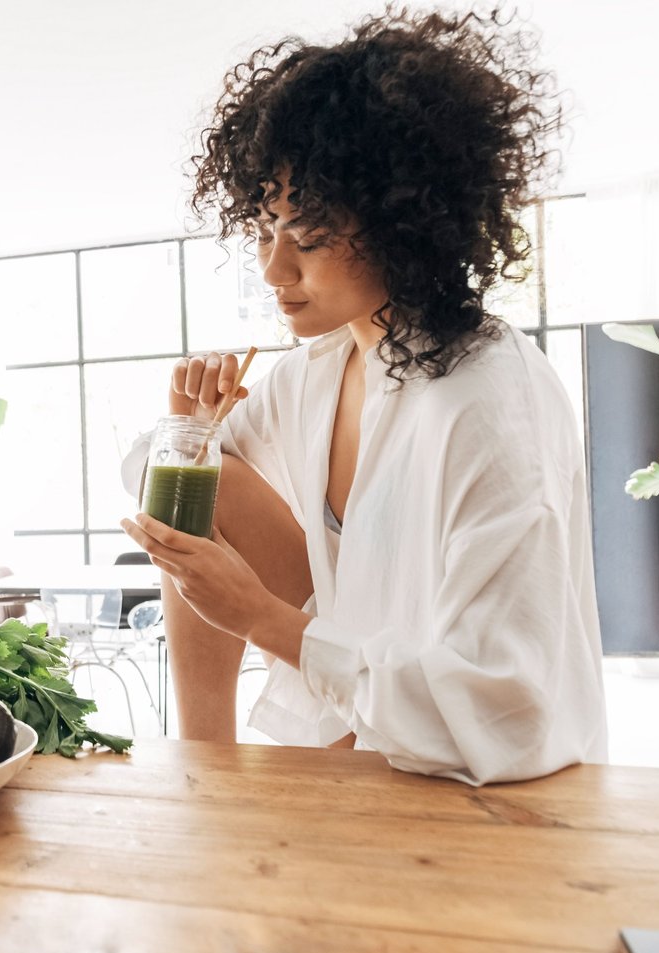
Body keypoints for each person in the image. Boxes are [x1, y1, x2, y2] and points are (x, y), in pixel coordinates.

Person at [120, 7, 607, 785]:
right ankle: (203, 769)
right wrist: (186, 429)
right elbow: (160, 484)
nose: (275, 272)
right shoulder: (318, 370)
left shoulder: (488, 399)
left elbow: (509, 712)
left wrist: (263, 619)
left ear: (404, 227)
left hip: (493, 800)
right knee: (189, 478)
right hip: (359, 759)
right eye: (265, 230)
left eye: (308, 239)